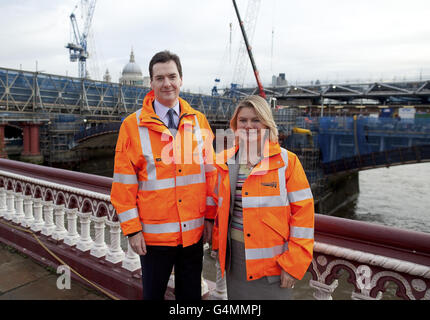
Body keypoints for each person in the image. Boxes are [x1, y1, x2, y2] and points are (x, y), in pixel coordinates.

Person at [110, 50, 216, 300]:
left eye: (172, 76)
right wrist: (132, 230)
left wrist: (210, 218)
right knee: (153, 295)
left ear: (181, 79)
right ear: (151, 83)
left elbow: (212, 176)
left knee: (190, 298)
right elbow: (124, 184)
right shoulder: (131, 126)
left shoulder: (200, 122)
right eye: (160, 78)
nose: (167, 83)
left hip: (193, 232)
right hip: (154, 236)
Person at [212, 95, 314, 300]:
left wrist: (293, 264)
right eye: (243, 120)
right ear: (235, 125)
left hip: (273, 265)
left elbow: (304, 217)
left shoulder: (287, 162)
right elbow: (218, 206)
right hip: (234, 260)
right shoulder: (224, 161)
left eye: (255, 120)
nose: (248, 125)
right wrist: (216, 243)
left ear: (266, 123)